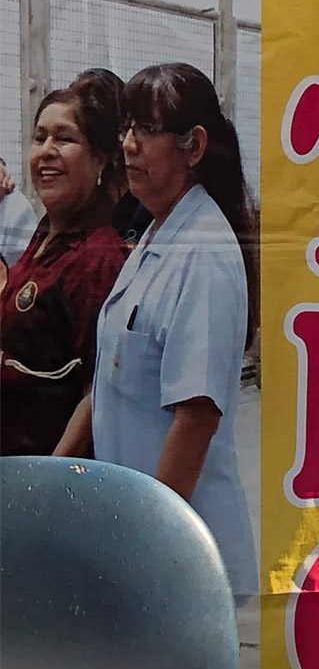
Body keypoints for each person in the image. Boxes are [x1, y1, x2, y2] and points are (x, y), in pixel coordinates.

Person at [56, 62, 259, 636]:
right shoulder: (158, 231)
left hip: (173, 547)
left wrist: (145, 550)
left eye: (144, 129)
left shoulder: (205, 251)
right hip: (144, 534)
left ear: (192, 145)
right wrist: (49, 475)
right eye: (126, 128)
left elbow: (194, 420)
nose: (127, 144)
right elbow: (111, 383)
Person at [1, 76, 131, 455]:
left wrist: (52, 479)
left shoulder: (97, 258)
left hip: (50, 482)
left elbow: (98, 392)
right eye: (40, 137)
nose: (47, 150)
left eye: (65, 138)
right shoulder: (44, 233)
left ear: (99, 159)